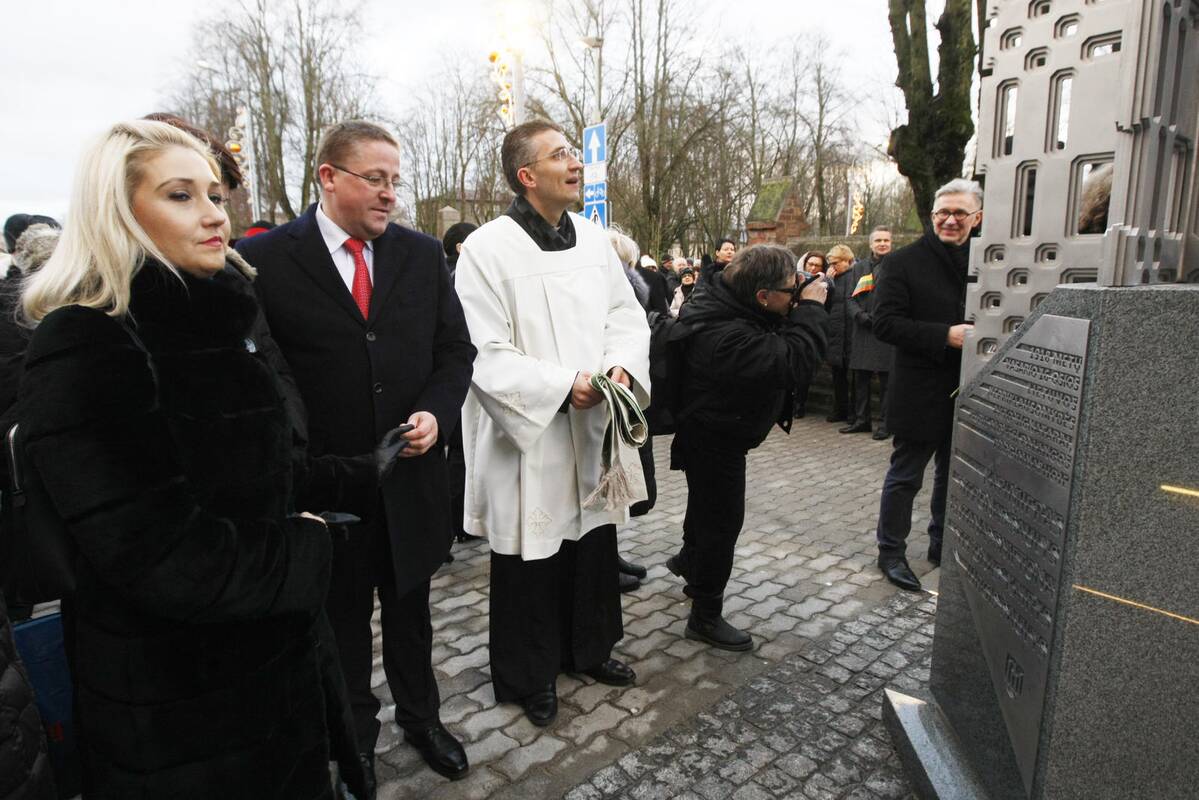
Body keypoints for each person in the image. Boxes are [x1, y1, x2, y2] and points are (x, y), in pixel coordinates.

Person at [14, 119, 344, 798]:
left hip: (270, 680)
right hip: (179, 718)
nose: (214, 215)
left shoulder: (213, 323)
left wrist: (363, 474)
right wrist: (304, 550)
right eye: (180, 195)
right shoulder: (85, 342)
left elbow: (253, 474)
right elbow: (157, 554)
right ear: (117, 210)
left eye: (216, 195)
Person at [237, 120, 476, 785]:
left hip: (413, 482)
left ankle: (423, 719)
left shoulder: (420, 255)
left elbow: (455, 351)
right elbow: (261, 375)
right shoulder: (264, 259)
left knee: (412, 617)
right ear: (329, 177)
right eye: (375, 178)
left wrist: (437, 412)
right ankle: (355, 742)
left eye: (395, 180)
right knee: (340, 624)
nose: (390, 193)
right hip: (331, 489)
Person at [454, 119, 650, 727]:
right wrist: (564, 387)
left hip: (593, 427)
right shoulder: (486, 249)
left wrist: (620, 368)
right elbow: (482, 350)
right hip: (530, 433)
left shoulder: (592, 238)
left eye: (574, 152)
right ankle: (528, 674)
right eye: (560, 154)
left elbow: (626, 315)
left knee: (592, 543)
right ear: (526, 175)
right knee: (529, 557)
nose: (575, 162)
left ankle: (589, 648)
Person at [665, 244, 828, 650]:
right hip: (715, 437)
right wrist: (811, 308)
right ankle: (705, 615)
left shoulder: (723, 302)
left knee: (704, 508)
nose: (797, 292)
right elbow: (794, 362)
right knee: (722, 525)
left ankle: (689, 563)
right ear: (762, 296)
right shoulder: (728, 334)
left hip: (709, 429)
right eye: (790, 289)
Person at [873, 180, 982, 591]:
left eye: (960, 213)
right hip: (919, 388)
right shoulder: (902, 262)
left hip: (970, 386)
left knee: (953, 476)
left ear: (977, 218)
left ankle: (942, 545)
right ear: (933, 215)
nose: (950, 220)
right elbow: (885, 323)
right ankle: (890, 552)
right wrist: (944, 335)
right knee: (906, 477)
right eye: (943, 212)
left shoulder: (990, 260)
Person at [441, 221, 481, 550]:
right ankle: (457, 521)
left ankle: (457, 520)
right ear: (460, 247)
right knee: (460, 452)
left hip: (462, 371)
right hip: (462, 373)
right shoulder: (457, 277)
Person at [842, 233, 895, 439]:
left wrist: (882, 317)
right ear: (871, 244)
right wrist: (859, 315)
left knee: (887, 382)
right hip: (862, 329)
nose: (882, 244)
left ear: (891, 243)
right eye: (878, 241)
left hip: (886, 331)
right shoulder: (859, 267)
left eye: (886, 240)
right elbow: (849, 297)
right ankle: (861, 420)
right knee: (860, 380)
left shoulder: (898, 266)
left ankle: (885, 424)